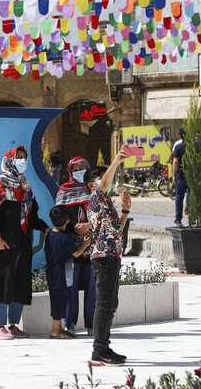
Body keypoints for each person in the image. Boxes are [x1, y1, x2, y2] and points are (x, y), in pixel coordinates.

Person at [0, 146, 50, 340]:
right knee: (1, 279)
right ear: (9, 161)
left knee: (19, 280)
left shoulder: (26, 185)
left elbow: (32, 215)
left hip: (22, 240)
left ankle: (13, 325)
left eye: (24, 158)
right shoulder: (0, 183)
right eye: (18, 158)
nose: (22, 161)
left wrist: (47, 228)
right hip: (4, 240)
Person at [85, 146, 132, 367]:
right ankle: (98, 351)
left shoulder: (106, 204)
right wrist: (116, 160)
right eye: (102, 178)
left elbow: (117, 231)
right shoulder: (95, 197)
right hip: (103, 258)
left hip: (112, 256)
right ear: (91, 185)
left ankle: (104, 346)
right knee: (104, 305)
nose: (107, 181)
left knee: (111, 304)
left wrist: (124, 211)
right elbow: (104, 183)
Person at [55, 156, 96, 337]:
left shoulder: (94, 189)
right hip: (72, 247)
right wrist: (75, 229)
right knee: (71, 287)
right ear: (70, 171)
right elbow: (58, 218)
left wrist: (89, 225)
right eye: (76, 168)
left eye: (83, 168)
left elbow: (103, 213)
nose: (79, 171)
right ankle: (70, 324)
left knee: (92, 288)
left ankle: (92, 324)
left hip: (93, 247)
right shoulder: (64, 191)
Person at [45, 205, 91, 339]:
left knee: (56, 299)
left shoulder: (50, 235)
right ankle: (55, 330)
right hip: (62, 275)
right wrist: (85, 244)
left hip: (52, 273)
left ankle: (59, 328)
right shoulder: (64, 238)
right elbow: (76, 253)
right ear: (67, 221)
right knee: (59, 301)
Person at [172, 129, 189, 226]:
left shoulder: (178, 147)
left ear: (180, 136)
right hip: (191, 176)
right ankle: (191, 215)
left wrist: (174, 175)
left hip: (181, 176)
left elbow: (175, 162)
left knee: (179, 197)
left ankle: (178, 218)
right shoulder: (193, 147)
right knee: (190, 195)